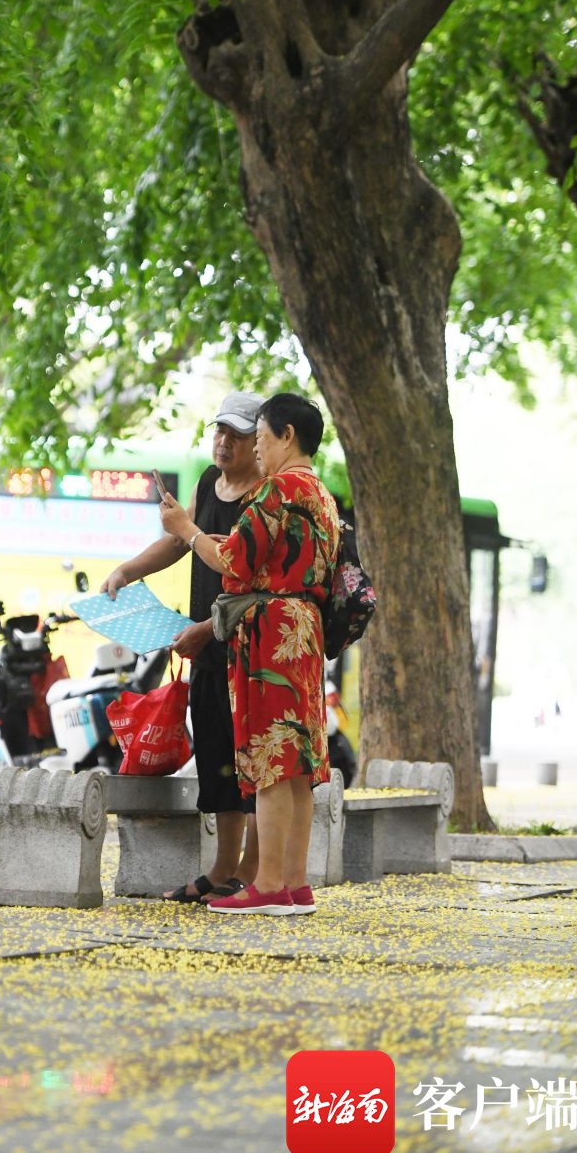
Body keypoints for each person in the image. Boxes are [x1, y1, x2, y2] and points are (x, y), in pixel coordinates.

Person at [159, 392, 341, 916]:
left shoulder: (277, 489)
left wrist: (187, 530)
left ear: (287, 436)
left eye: (260, 437)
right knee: (298, 763)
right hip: (305, 629)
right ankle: (295, 884)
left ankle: (268, 884)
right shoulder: (320, 493)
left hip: (270, 633)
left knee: (270, 759)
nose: (256, 449)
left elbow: (232, 562)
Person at [100, 392, 264, 902]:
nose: (224, 442)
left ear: (259, 442)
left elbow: (248, 576)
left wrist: (208, 627)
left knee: (254, 767)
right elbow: (179, 541)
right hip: (207, 654)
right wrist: (128, 570)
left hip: (250, 654)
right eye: (220, 432)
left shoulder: (266, 495)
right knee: (217, 763)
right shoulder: (208, 483)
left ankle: (253, 872)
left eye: (237, 435)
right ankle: (222, 868)